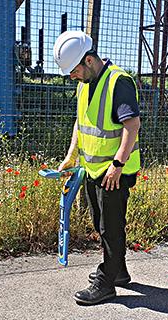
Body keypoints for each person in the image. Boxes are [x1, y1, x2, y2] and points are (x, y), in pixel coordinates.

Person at [53, 30, 141, 305]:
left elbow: (132, 126)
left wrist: (117, 164)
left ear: (89, 60)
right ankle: (119, 272)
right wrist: (71, 155)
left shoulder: (119, 82)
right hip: (93, 170)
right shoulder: (84, 85)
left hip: (115, 171)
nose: (72, 76)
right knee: (101, 224)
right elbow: (81, 124)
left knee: (110, 228)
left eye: (74, 70)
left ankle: (106, 282)